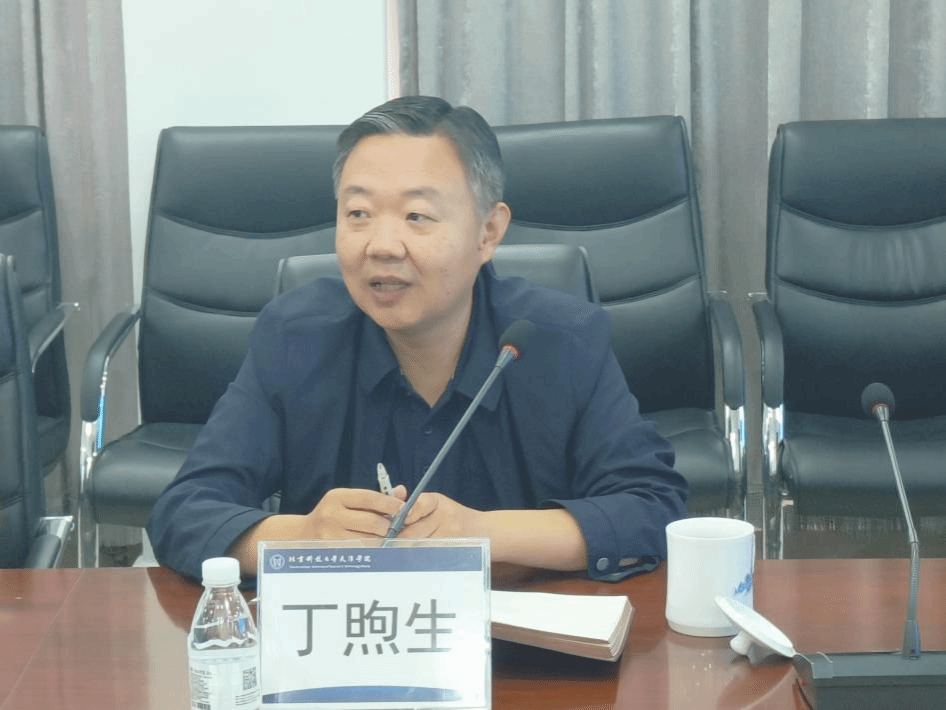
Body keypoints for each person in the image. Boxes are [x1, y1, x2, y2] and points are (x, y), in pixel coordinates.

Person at [147, 96, 687, 582]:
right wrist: (303, 537)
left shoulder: (561, 338)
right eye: (358, 213)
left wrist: (482, 534)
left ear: (488, 231)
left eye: (417, 215)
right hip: (352, 639)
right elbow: (185, 513)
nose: (382, 245)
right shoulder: (294, 338)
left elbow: (652, 509)